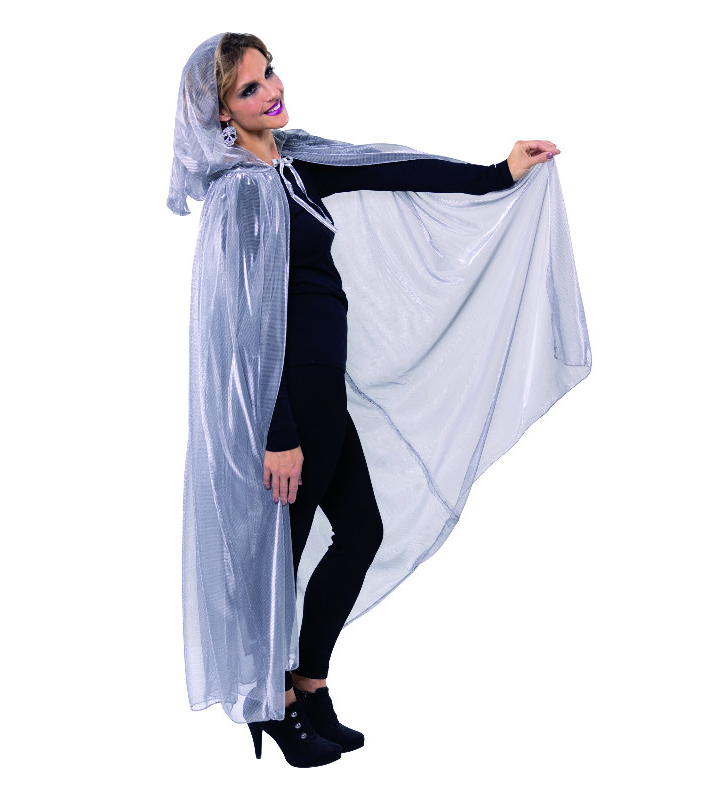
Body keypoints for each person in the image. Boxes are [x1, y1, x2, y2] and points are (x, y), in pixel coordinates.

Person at [168, 32, 591, 769]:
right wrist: (277, 431)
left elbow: (391, 167)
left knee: (360, 532)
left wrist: (498, 172)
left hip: (322, 388)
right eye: (249, 88)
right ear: (222, 115)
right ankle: (274, 705)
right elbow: (236, 328)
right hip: (290, 399)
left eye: (270, 74)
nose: (271, 90)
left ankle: (309, 683)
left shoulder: (294, 165)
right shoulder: (240, 195)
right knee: (278, 559)